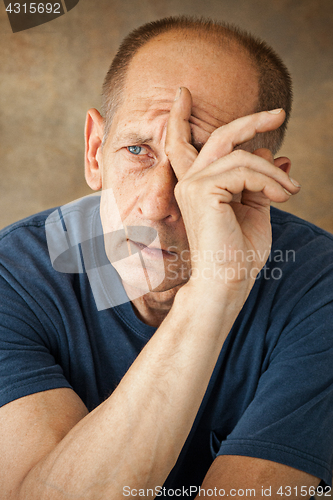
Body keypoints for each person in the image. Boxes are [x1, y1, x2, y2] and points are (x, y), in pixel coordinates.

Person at [0, 15, 332, 500]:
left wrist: (218, 286)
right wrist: (208, 300)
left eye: (200, 165)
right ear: (95, 151)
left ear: (263, 184)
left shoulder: (320, 288)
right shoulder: (13, 276)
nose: (158, 204)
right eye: (137, 149)